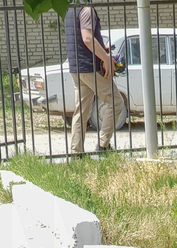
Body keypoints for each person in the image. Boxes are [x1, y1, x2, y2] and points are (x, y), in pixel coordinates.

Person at [64, 0, 125, 155]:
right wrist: (105, 58)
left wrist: (101, 49)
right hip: (90, 68)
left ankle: (76, 152)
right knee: (116, 102)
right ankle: (103, 145)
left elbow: (81, 39)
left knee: (81, 112)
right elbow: (87, 38)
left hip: (76, 68)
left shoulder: (70, 11)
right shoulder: (87, 10)